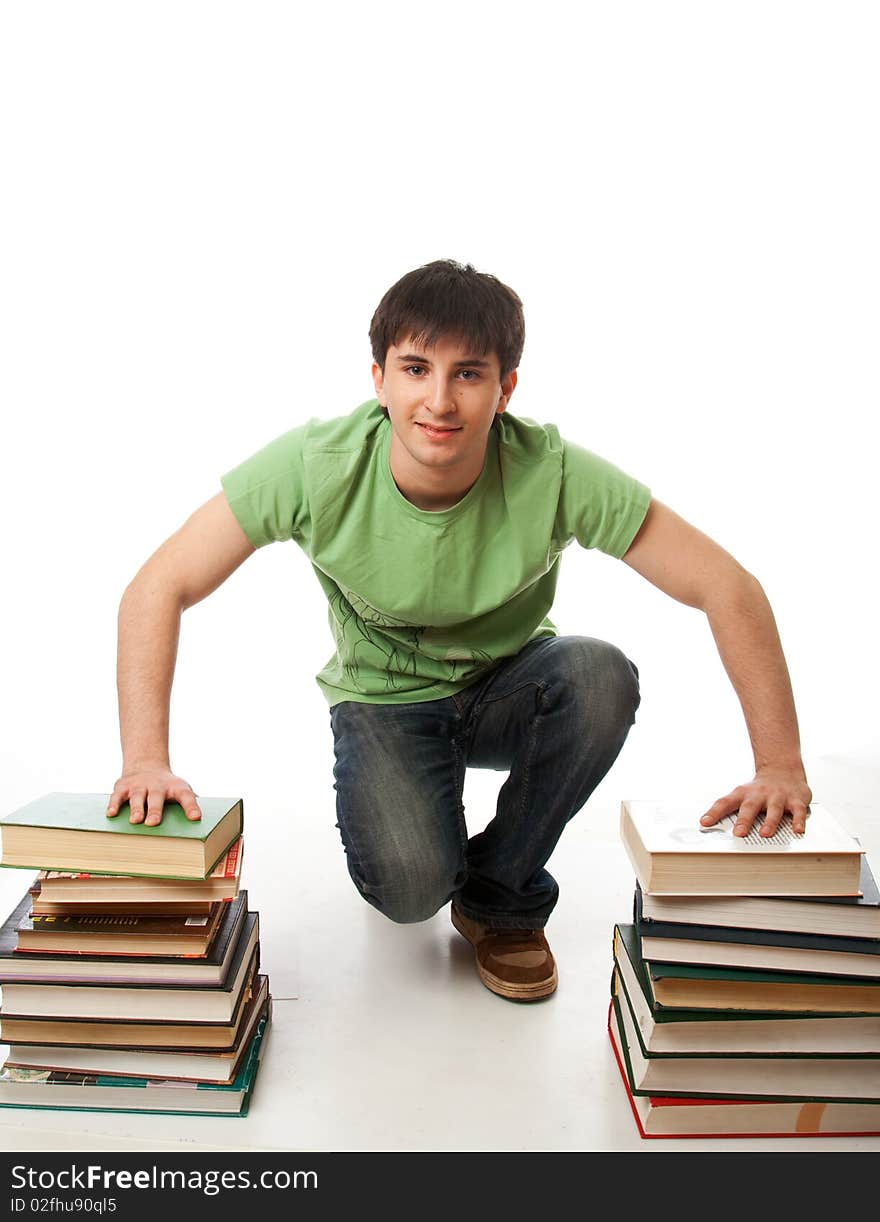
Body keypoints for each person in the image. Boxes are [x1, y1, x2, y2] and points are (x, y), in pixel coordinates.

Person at [107, 259, 812, 1002]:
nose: (439, 401)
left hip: (508, 687)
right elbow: (159, 584)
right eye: (416, 368)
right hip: (383, 702)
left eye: (469, 374)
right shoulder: (317, 467)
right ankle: (430, 844)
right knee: (410, 892)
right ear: (379, 379)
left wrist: (780, 765)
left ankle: (502, 899)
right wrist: (145, 759)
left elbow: (726, 585)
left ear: (506, 388)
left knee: (601, 676)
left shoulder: (555, 471)